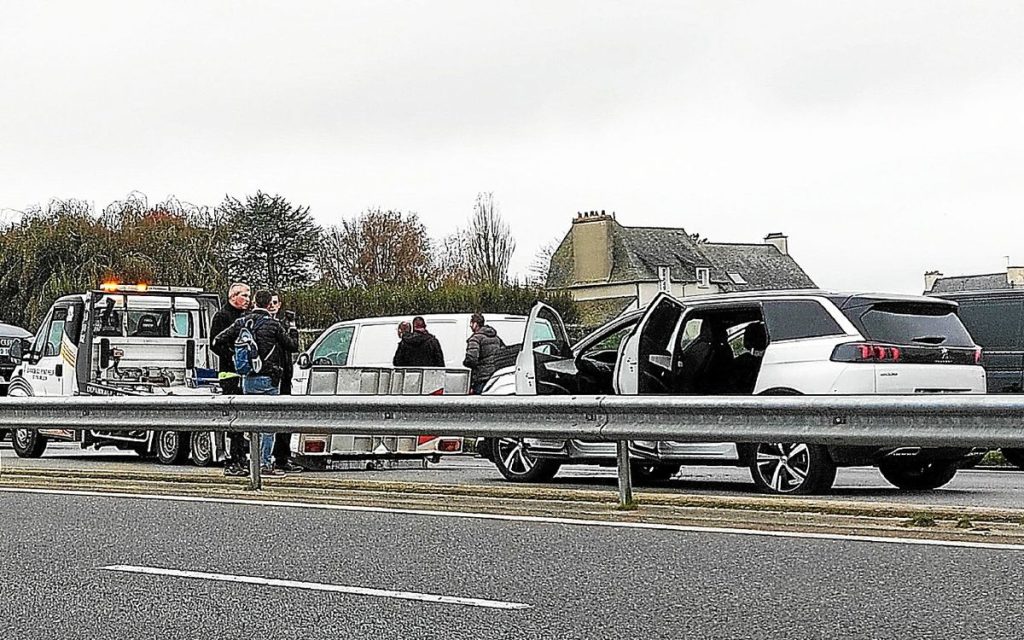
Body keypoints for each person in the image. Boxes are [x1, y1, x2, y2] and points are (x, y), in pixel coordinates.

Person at [214, 289, 300, 476]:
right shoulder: (273, 325)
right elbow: (293, 346)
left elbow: (218, 339)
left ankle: (252, 461)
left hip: (247, 378)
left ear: (254, 302)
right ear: (269, 304)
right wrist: (292, 327)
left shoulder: (242, 321)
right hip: (268, 379)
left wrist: (234, 359)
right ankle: (264, 463)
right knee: (268, 424)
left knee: (251, 423)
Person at [210, 282, 251, 477]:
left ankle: (242, 457)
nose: (248, 300)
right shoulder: (222, 316)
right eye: (244, 295)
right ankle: (232, 460)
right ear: (233, 296)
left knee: (244, 421)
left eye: (249, 296)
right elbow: (215, 343)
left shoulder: (245, 317)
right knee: (233, 420)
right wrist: (233, 357)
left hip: (245, 374)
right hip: (229, 374)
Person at [268, 294, 303, 474]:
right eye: (270, 303)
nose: (273, 306)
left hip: (285, 375)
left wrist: (293, 327)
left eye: (276, 303)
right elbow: (292, 345)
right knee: (266, 421)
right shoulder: (266, 324)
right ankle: (265, 459)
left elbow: (294, 347)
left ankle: (282, 457)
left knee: (284, 418)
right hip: (272, 376)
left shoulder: (283, 325)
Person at [463, 313, 506, 394]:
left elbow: (471, 359)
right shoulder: (496, 338)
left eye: (471, 323)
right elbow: (503, 352)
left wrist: (465, 362)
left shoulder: (475, 339)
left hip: (481, 377)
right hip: (495, 376)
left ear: (475, 324)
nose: (470, 325)